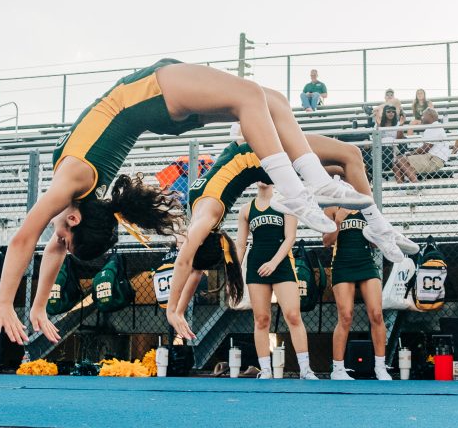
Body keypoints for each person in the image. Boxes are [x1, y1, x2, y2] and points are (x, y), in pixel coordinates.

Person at [0, 58, 373, 345]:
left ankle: (314, 181)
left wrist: (17, 304)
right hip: (155, 93)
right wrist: (29, 305)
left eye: (60, 236)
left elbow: (30, 241)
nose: (55, 238)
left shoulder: (72, 186)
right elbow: (42, 244)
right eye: (62, 237)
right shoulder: (74, 186)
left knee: (269, 99)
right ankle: (302, 186)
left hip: (158, 100)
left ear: (73, 221)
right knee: (253, 97)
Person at [165, 127, 419, 340]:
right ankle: (375, 225)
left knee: (344, 167)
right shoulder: (201, 214)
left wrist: (173, 310)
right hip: (262, 156)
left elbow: (190, 265)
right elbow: (191, 266)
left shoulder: (205, 220)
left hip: (257, 156)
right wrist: (175, 309)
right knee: (350, 156)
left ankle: (371, 222)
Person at [235, 183, 316, 379]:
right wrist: (234, 271)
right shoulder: (246, 209)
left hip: (281, 265)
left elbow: (290, 238)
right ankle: (266, 369)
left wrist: (273, 262)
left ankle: (305, 369)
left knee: (293, 315)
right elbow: (240, 243)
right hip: (256, 266)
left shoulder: (286, 204)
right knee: (261, 319)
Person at [324, 207, 392, 381]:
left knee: (377, 314)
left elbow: (376, 243)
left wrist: (377, 231)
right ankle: (338, 369)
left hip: (366, 263)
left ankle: (380, 366)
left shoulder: (367, 206)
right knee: (345, 316)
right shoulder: (332, 207)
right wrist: (337, 221)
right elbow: (326, 242)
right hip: (342, 264)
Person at [393, 108, 451, 183]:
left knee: (400, 160)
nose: (421, 118)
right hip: (431, 157)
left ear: (430, 116)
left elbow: (425, 148)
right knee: (396, 162)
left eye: (423, 116)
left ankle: (416, 186)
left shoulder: (434, 127)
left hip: (433, 159)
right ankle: (401, 189)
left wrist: (410, 154)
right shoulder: (433, 127)